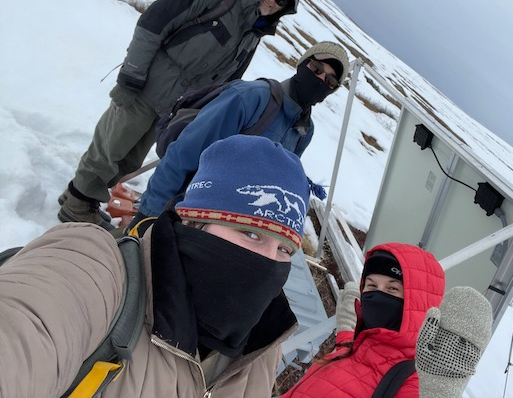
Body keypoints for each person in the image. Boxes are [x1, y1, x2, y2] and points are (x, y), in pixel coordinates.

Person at [1, 135, 312, 397]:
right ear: (194, 221)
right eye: (251, 233)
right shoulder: (92, 270)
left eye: (284, 249)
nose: (269, 261)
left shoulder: (262, 349)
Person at [58, 0, 303, 230]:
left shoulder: (252, 35)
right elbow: (153, 23)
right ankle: (77, 205)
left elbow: (227, 83)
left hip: (172, 109)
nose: (271, 0)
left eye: (281, 0)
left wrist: (199, 115)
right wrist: (131, 76)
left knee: (129, 159)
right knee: (110, 148)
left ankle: (79, 195)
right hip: (146, 88)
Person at [127, 41, 349, 234]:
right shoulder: (251, 98)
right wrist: (149, 214)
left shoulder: (303, 132)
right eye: (316, 68)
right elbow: (182, 155)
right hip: (178, 210)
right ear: (302, 64)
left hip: (221, 226)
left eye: (330, 81)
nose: (320, 79)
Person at [279, 245, 493, 398]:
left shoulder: (416, 381)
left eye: (392, 288)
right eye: (371, 286)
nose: (377, 296)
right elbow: (362, 356)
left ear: (418, 303)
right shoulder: (358, 346)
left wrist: (439, 391)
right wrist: (347, 327)